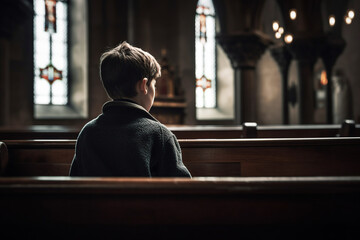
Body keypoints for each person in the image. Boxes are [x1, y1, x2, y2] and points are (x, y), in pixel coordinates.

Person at [69, 41, 191, 177]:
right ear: (144, 85)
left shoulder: (87, 132)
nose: (154, 90)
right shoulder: (159, 135)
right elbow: (181, 187)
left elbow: (75, 183)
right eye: (154, 85)